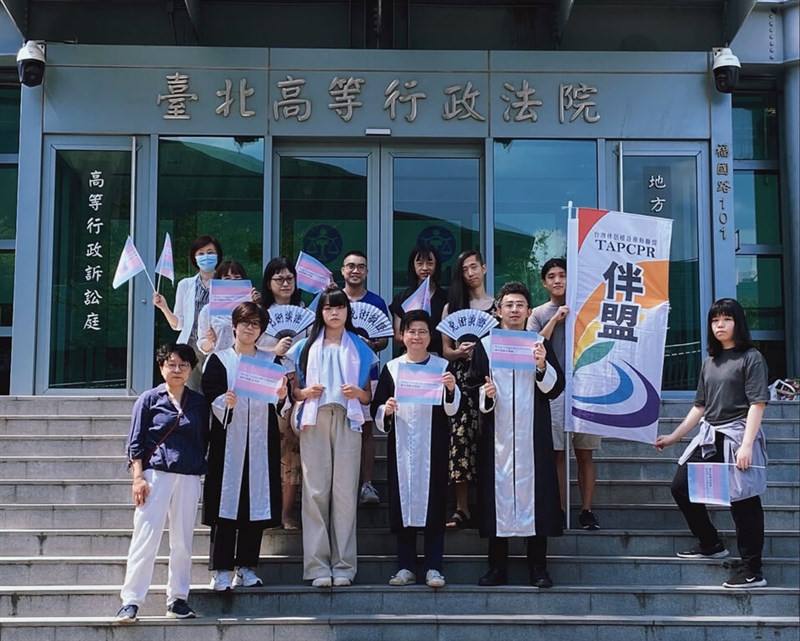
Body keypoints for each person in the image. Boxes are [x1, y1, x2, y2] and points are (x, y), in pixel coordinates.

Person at [656, 298, 770, 589]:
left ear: (737, 323)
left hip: (738, 435)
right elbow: (700, 406)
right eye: (715, 320)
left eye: (726, 319)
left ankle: (753, 569)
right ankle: (710, 542)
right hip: (710, 435)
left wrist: (746, 445)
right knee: (681, 487)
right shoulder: (710, 361)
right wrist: (674, 437)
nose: (719, 325)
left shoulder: (751, 357)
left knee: (743, 501)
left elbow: (757, 404)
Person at [472, 282, 564, 588]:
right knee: (497, 498)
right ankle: (496, 567)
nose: (514, 310)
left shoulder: (540, 344)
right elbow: (473, 390)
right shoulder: (485, 347)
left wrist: (541, 367)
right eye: (508, 305)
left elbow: (555, 388)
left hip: (531, 436)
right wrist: (486, 394)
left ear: (528, 311)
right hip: (496, 436)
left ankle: (539, 568)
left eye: (520, 305)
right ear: (498, 310)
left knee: (534, 499)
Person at [286, 285, 377, 587]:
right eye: (328, 307)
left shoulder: (362, 347)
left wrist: (360, 393)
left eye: (339, 307)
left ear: (347, 311)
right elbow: (293, 390)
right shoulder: (304, 347)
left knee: (344, 493)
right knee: (315, 492)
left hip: (348, 419)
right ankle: (316, 566)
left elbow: (369, 398)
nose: (334, 312)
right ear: (320, 312)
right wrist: (303, 392)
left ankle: (344, 565)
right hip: (315, 418)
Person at [115, 344, 209, 624]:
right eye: (171, 364)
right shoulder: (148, 399)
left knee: (182, 541)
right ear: (161, 367)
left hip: (189, 476)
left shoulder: (199, 403)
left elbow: (205, 438)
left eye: (182, 365)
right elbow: (135, 441)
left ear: (191, 369)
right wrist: (138, 478)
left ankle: (178, 599)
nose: (177, 370)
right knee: (145, 537)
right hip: (155, 474)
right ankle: (130, 601)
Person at [371, 309, 461, 588]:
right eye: (411, 331)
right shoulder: (393, 368)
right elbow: (378, 406)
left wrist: (450, 390)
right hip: (403, 444)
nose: (417, 336)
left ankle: (434, 566)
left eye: (422, 331)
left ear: (430, 335)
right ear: (402, 336)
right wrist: (386, 409)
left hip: (433, 443)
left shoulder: (441, 367)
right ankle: (406, 565)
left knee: (434, 503)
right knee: (404, 502)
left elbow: (452, 408)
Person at [201, 302, 286, 591]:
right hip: (229, 443)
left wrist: (282, 395)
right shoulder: (219, 360)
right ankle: (222, 570)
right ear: (234, 326)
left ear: (261, 331)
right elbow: (209, 396)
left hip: (261, 441)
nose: (250, 328)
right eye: (245, 322)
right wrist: (225, 403)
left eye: (256, 324)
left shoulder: (270, 361)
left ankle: (247, 567)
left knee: (255, 504)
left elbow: (280, 404)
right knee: (226, 504)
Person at [528, 257, 601, 530]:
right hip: (553, 389)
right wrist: (556, 321)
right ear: (544, 282)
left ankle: (586, 509)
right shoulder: (537, 313)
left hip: (586, 387)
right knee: (557, 452)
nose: (558, 280)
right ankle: (559, 508)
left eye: (562, 275)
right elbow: (533, 345)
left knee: (585, 452)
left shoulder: (587, 308)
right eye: (552, 276)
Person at [441, 249, 495, 529]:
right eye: (465, 269)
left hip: (490, 380)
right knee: (460, 439)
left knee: (489, 437)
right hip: (461, 380)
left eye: (474, 267)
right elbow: (444, 351)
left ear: (484, 269)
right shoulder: (453, 308)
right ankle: (461, 507)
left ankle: (488, 503)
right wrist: (460, 353)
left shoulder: (498, 307)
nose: (471, 273)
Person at [340, 249, 390, 507]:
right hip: (337, 375)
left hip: (368, 374)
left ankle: (367, 483)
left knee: (366, 430)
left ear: (367, 271)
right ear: (343, 271)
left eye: (360, 266)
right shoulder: (334, 299)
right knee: (340, 428)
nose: (355, 270)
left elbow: (383, 339)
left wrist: (371, 343)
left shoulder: (377, 302)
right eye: (351, 266)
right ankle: (342, 487)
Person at [260, 256, 303, 530]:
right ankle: (265, 510)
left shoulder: (306, 314)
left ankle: (287, 512)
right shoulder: (259, 313)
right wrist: (273, 351)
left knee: (292, 451)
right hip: (266, 387)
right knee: (266, 449)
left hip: (297, 387)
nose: (285, 283)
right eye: (279, 278)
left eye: (289, 278)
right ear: (269, 283)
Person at [153, 235, 223, 390]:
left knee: (217, 393)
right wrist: (164, 307)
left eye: (210, 252)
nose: (206, 257)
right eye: (201, 254)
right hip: (191, 350)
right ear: (194, 258)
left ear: (218, 255)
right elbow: (178, 325)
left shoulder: (226, 285)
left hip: (218, 347)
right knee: (192, 393)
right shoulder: (185, 285)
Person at [389, 244, 448, 357]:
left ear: (437, 266)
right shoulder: (402, 298)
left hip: (438, 356)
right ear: (413, 266)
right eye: (420, 264)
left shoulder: (446, 297)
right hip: (409, 357)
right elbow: (398, 336)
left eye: (430, 263)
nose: (425, 268)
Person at [196, 260, 261, 356]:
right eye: (227, 278)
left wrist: (257, 306)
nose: (233, 281)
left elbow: (263, 339)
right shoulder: (208, 310)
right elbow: (202, 344)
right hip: (218, 363)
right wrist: (210, 341)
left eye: (237, 278)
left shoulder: (254, 308)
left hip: (248, 362)